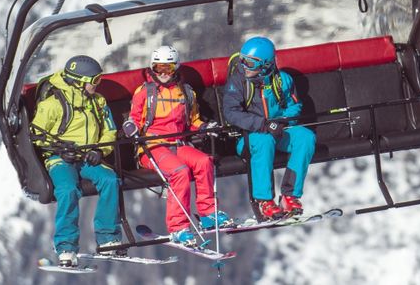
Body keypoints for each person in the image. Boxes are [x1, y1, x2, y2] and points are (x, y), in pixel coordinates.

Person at [122, 45, 230, 246]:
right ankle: (178, 227)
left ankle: (208, 214)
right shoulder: (145, 92)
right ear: (152, 68)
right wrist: (130, 127)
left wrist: (205, 126)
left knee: (204, 161)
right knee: (180, 172)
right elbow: (134, 119)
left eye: (168, 68)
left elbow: (193, 120)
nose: (163, 74)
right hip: (152, 147)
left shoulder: (186, 92)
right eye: (158, 68)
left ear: (176, 68)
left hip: (178, 143)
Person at [31, 55, 123, 268]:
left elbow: (110, 130)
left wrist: (100, 150)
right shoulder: (52, 105)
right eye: (95, 80)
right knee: (67, 189)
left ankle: (108, 237)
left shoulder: (98, 102)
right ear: (80, 81)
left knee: (110, 180)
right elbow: (36, 136)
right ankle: (66, 246)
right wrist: (59, 150)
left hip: (88, 157)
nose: (97, 85)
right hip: (59, 159)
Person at [222, 37, 316, 221]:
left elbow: (294, 105)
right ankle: (264, 201)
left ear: (265, 64)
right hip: (249, 138)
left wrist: (282, 122)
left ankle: (290, 196)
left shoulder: (283, 81)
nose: (244, 66)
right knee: (264, 141)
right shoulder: (238, 82)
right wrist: (263, 125)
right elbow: (231, 112)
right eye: (242, 60)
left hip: (278, 131)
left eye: (249, 62)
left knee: (305, 137)